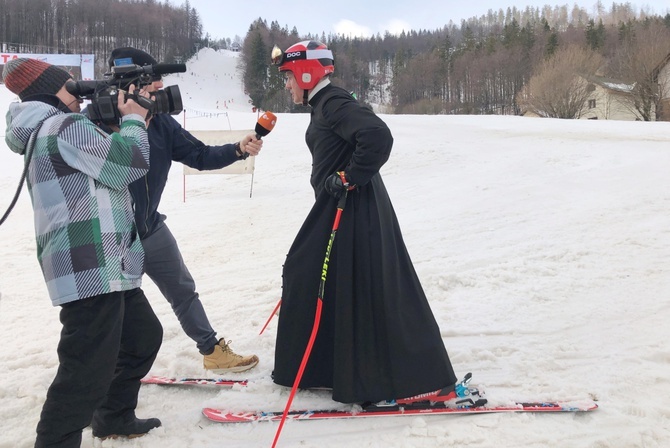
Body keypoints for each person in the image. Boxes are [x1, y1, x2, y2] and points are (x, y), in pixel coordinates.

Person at [270, 41, 487, 407]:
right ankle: (324, 370)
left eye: (288, 77)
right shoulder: (323, 105)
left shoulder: (333, 103)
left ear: (307, 74)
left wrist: (349, 176)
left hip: (353, 212)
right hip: (339, 209)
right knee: (321, 280)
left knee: (353, 283)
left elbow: (377, 136)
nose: (287, 85)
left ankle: (421, 377)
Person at [3, 58, 163, 446]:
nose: (78, 96)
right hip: (91, 266)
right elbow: (129, 164)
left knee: (143, 337)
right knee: (84, 372)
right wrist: (133, 120)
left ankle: (114, 416)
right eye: (70, 87)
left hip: (106, 263)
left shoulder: (53, 128)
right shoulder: (62, 126)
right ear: (50, 92)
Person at [103, 47, 262, 373]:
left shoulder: (162, 124)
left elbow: (200, 156)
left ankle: (212, 351)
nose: (159, 99)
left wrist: (238, 149)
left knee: (183, 291)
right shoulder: (99, 124)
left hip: (149, 228)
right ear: (130, 88)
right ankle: (105, 374)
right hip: (111, 237)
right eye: (153, 91)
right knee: (113, 311)